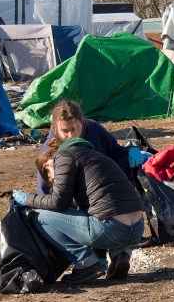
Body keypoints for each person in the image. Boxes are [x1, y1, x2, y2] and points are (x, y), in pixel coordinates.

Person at [13, 138, 145, 284]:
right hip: (137, 229)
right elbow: (94, 209)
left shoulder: (63, 156)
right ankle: (120, 253)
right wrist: (100, 257)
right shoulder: (96, 157)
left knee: (38, 216)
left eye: (51, 179)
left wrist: (26, 198)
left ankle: (86, 263)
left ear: (48, 165)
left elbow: (57, 202)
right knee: (95, 214)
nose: (54, 182)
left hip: (111, 229)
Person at [36, 100, 151, 194]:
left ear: (81, 122)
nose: (70, 135)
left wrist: (131, 150)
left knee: (142, 162)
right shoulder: (50, 149)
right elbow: (44, 186)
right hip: (76, 194)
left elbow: (115, 151)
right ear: (56, 128)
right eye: (65, 131)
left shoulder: (94, 128)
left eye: (74, 128)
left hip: (104, 182)